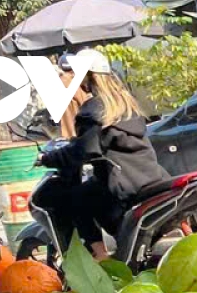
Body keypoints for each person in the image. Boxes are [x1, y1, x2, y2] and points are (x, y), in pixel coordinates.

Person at [30, 48, 169, 261]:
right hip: (149, 175)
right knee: (89, 191)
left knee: (75, 198)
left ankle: (100, 255)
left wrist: (48, 158)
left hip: (122, 183)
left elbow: (84, 150)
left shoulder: (94, 109)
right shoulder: (124, 103)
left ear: (88, 75)